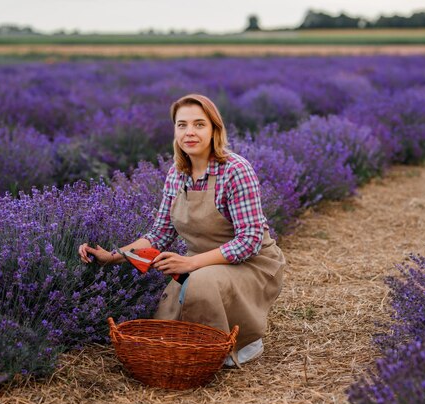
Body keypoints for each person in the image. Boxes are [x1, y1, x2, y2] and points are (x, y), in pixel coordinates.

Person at [78, 94, 286, 367]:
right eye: (182, 125)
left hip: (252, 264)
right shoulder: (177, 175)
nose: (190, 132)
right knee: (166, 319)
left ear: (214, 129)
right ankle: (201, 345)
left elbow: (250, 241)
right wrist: (113, 256)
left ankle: (245, 340)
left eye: (199, 124)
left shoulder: (235, 170)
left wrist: (190, 263)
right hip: (201, 265)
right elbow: (159, 235)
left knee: (199, 284)